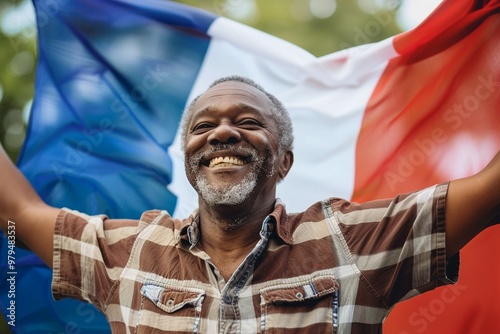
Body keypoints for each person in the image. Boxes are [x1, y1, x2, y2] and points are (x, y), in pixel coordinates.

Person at [0, 75, 499, 333]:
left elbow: (489, 190)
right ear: (190, 159)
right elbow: (18, 211)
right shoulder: (128, 252)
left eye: (248, 121)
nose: (222, 132)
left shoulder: (350, 241)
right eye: (203, 126)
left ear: (283, 163)